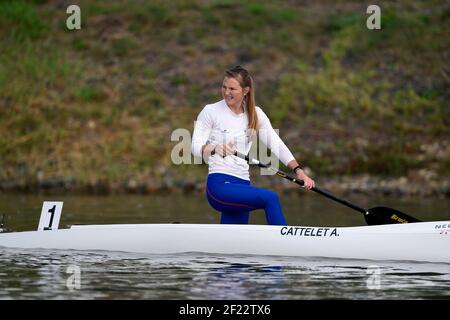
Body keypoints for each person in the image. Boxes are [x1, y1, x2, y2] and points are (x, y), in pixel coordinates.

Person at [191, 66, 315, 225]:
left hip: (242, 183)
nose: (226, 92)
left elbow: (276, 144)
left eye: (232, 89)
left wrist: (298, 171)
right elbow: (195, 147)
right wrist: (214, 149)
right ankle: (286, 244)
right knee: (270, 198)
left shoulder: (256, 114)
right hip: (220, 186)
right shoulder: (210, 111)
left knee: (232, 243)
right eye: (224, 87)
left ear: (245, 90)